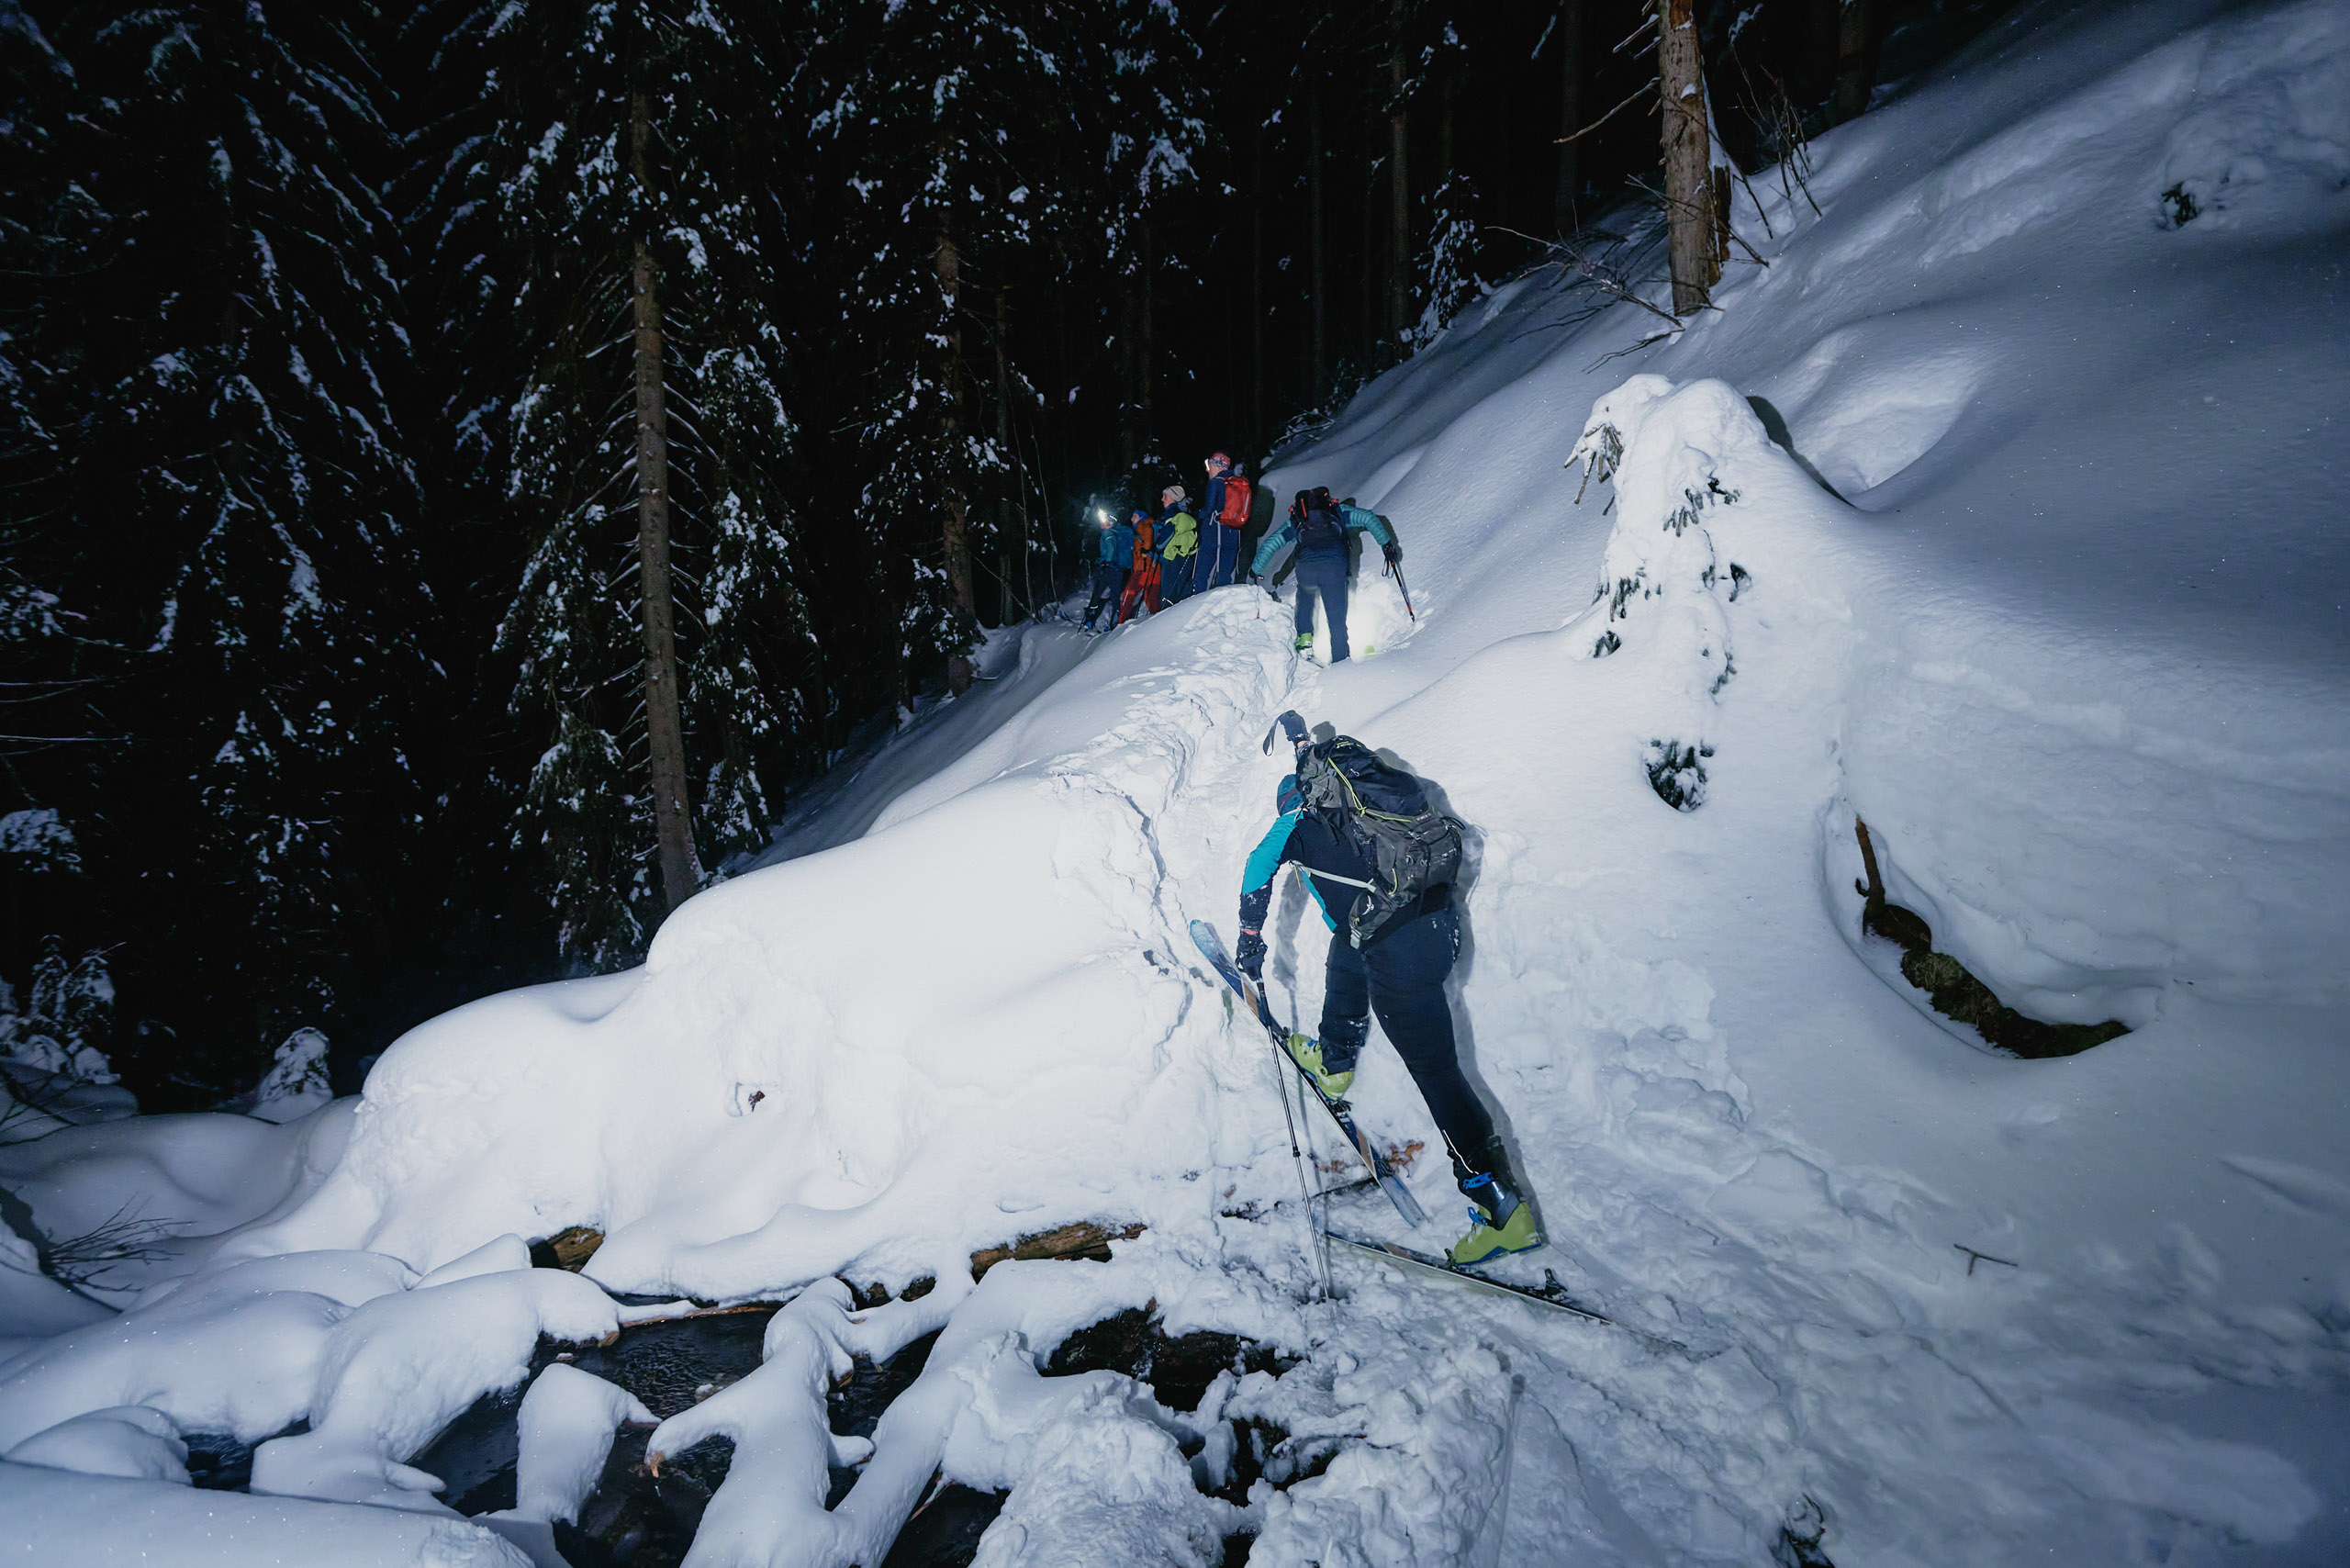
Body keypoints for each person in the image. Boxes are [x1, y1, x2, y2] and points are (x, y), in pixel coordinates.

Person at [1234, 714, 1542, 1266]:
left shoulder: (1297, 823)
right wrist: (1302, 740)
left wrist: (1249, 938)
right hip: (1438, 926)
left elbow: (1257, 868)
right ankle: (1335, 1059)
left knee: (1439, 1076)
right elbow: (1349, 917)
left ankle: (1500, 1210)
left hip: (1404, 957)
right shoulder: (1364, 818)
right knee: (1350, 941)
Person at [1248, 485, 1397, 663]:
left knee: (1305, 595)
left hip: (1306, 567)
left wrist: (1256, 569)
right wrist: (1386, 544)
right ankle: (1341, 660)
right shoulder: (1338, 511)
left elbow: (1270, 544)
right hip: (1334, 567)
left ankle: (1305, 638)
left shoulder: (1297, 520)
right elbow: (1368, 517)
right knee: (1336, 617)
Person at [1193, 453, 1250, 594]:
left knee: (1202, 571)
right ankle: (1224, 597)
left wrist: (1199, 514)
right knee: (1225, 570)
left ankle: (1196, 599)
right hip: (1233, 531)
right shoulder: (1236, 482)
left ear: (1218, 466)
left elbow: (1209, 508)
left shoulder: (1216, 482)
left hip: (1214, 532)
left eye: (1210, 466)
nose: (1208, 470)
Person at [1080, 506, 1134, 632]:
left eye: (1104, 521)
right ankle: (1115, 622)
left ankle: (1089, 620)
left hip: (1110, 569)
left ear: (1110, 522)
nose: (1102, 523)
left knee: (1097, 594)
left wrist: (1104, 560)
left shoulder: (1107, 533)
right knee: (1115, 596)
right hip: (1119, 570)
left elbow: (1110, 553)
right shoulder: (1115, 532)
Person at [1116, 506, 1163, 624]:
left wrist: (1145, 550)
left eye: (1135, 516)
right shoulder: (1147, 525)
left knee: (1128, 594)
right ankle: (1157, 621)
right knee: (1150, 596)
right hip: (1154, 567)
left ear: (1141, 517)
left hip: (1144, 568)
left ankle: (1120, 623)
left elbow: (1147, 544)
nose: (1132, 519)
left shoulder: (1143, 526)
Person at [1157, 486, 1201, 604]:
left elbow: (1164, 539)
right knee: (1181, 589)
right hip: (1185, 556)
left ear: (1173, 499)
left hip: (1171, 556)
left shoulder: (1171, 514)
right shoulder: (1188, 515)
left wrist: (1157, 546)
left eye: (1165, 496)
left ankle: (1166, 612)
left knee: (1168, 591)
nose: (1162, 499)